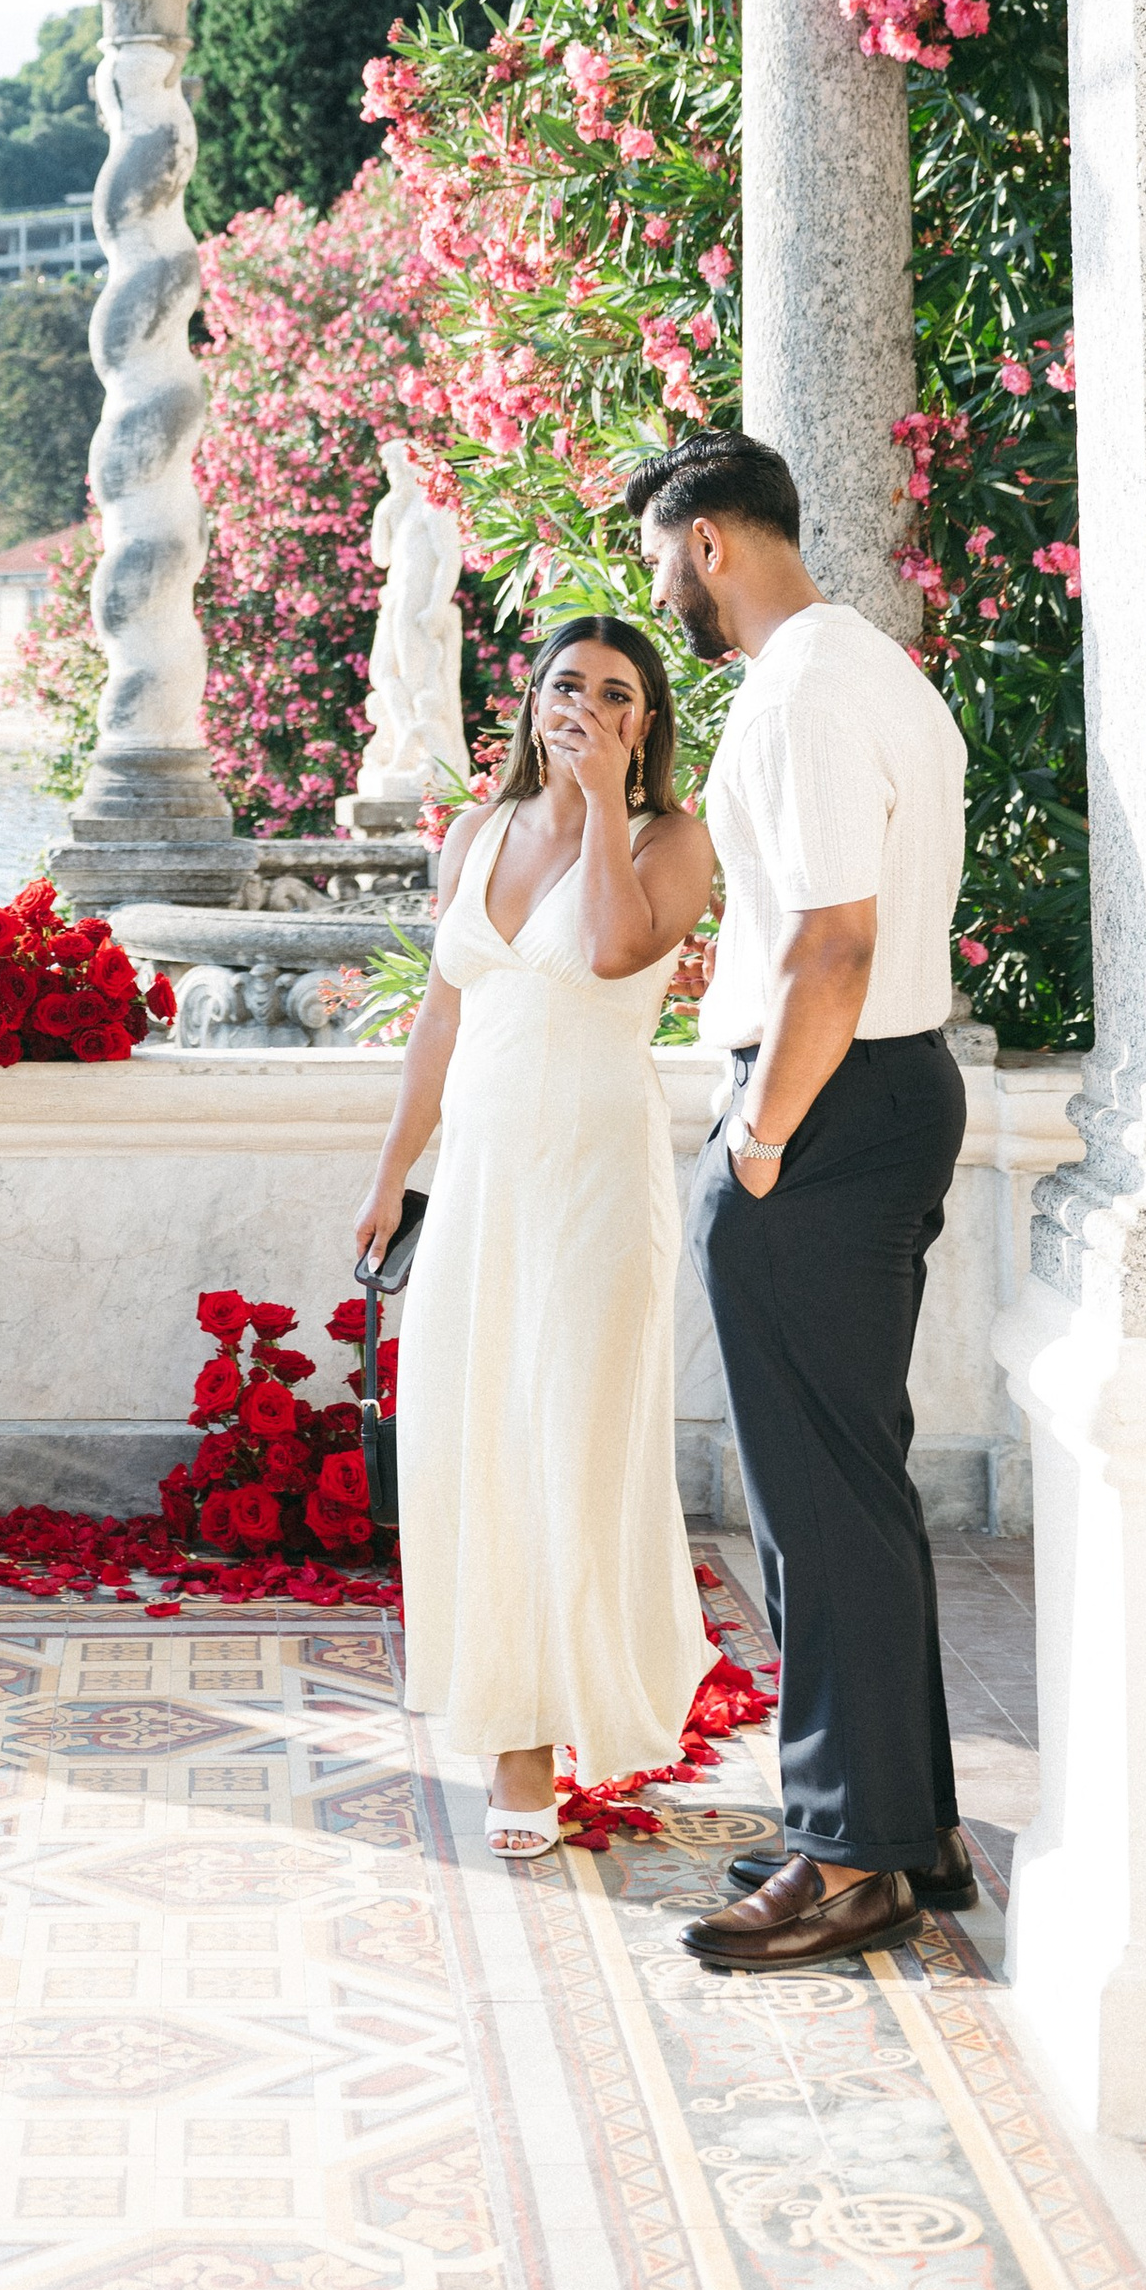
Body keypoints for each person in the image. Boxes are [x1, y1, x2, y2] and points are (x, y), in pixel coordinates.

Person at [627, 428, 975, 1974]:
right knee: (855, 1485)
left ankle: (846, 1860)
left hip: (825, 1107)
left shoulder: (801, 694)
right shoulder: (877, 671)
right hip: (889, 1092)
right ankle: (901, 1823)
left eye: (661, 559)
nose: (664, 590)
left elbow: (833, 941)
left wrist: (760, 1137)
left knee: (816, 1503)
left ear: (706, 540)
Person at [354, 614, 719, 1855]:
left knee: (571, 1434)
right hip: (479, 1179)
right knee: (472, 1434)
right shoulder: (475, 830)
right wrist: (392, 1172)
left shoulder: (671, 840)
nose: (586, 706)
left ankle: (564, 1720)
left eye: (617, 693)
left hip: (596, 1177)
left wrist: (604, 800)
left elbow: (614, 947)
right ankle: (512, 1723)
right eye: (567, 683)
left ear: (646, 721)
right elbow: (439, 1018)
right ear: (530, 699)